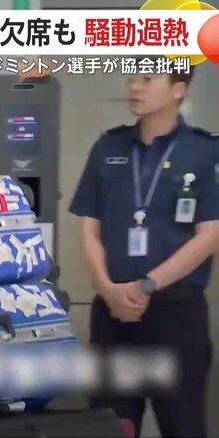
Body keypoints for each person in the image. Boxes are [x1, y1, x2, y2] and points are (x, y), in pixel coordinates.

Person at [69, 58, 218, 438]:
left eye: (148, 79)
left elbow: (209, 235)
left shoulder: (205, 152)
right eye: (132, 77)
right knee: (108, 425)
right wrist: (107, 288)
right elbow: (90, 227)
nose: (135, 86)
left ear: (179, 89)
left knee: (182, 425)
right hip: (114, 313)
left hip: (176, 314)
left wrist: (147, 285)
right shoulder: (108, 146)